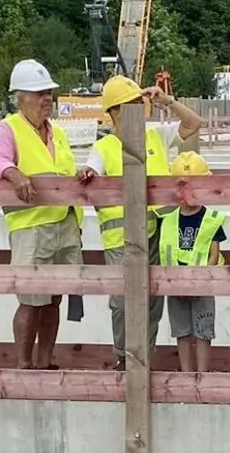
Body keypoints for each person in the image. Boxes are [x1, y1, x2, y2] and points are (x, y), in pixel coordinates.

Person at [77, 75, 203, 369]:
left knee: (152, 302)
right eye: (126, 106)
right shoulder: (105, 147)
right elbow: (90, 170)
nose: (134, 110)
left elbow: (193, 124)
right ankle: (123, 356)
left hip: (157, 232)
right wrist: (86, 173)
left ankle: (144, 358)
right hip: (120, 240)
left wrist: (165, 101)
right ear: (112, 113)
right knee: (122, 303)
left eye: (137, 103)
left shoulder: (156, 136)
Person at [0, 59, 84, 370]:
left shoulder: (57, 133)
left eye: (48, 93)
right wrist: (15, 175)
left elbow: (64, 170)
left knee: (54, 297)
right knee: (30, 300)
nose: (47, 99)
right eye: (39, 93)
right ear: (21, 98)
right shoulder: (8, 128)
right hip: (31, 227)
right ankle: (24, 363)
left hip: (65, 223)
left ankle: (45, 361)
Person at [156, 152, 224, 372]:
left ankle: (202, 374)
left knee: (203, 329)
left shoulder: (211, 219)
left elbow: (214, 254)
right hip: (175, 286)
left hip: (202, 286)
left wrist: (199, 280)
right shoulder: (166, 219)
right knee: (181, 330)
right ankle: (186, 372)